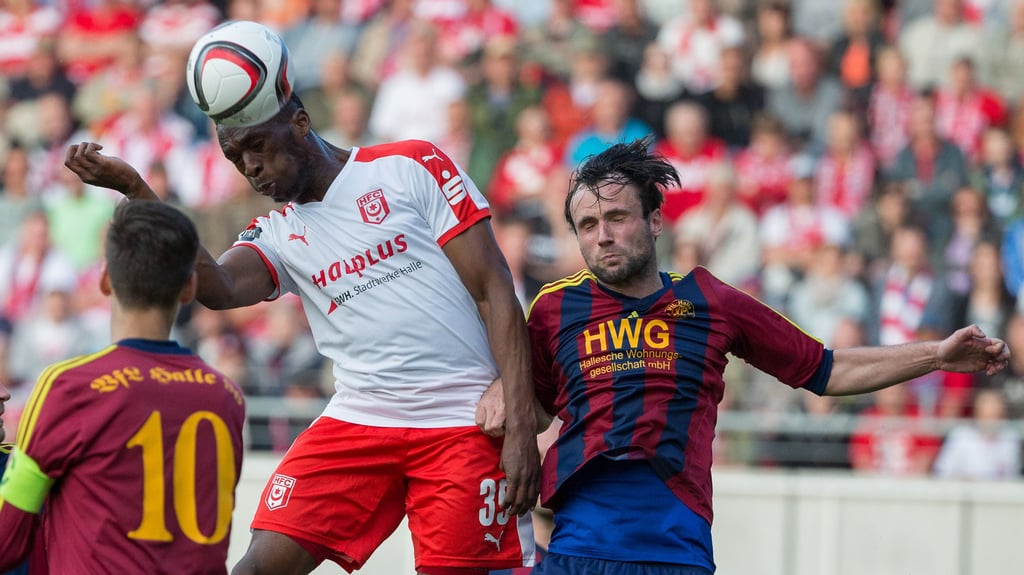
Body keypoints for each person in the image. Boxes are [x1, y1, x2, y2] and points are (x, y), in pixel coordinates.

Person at [63, 91, 541, 575]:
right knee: (256, 568)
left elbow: (494, 288)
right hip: (360, 416)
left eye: (256, 146)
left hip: (461, 417)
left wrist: (521, 421)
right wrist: (136, 188)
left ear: (300, 122)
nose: (250, 166)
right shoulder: (277, 233)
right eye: (235, 158)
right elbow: (218, 287)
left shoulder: (410, 165)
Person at [519, 138, 1010, 574]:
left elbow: (827, 368)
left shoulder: (711, 301)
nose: (602, 235)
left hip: (673, 551)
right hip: (577, 549)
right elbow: (530, 412)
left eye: (616, 217)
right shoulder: (553, 310)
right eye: (586, 225)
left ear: (654, 220)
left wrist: (936, 356)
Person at [0, 200, 247, 573]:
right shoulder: (226, 396)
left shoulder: (68, 388)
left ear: (104, 280)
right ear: (189, 288)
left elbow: (6, 542)